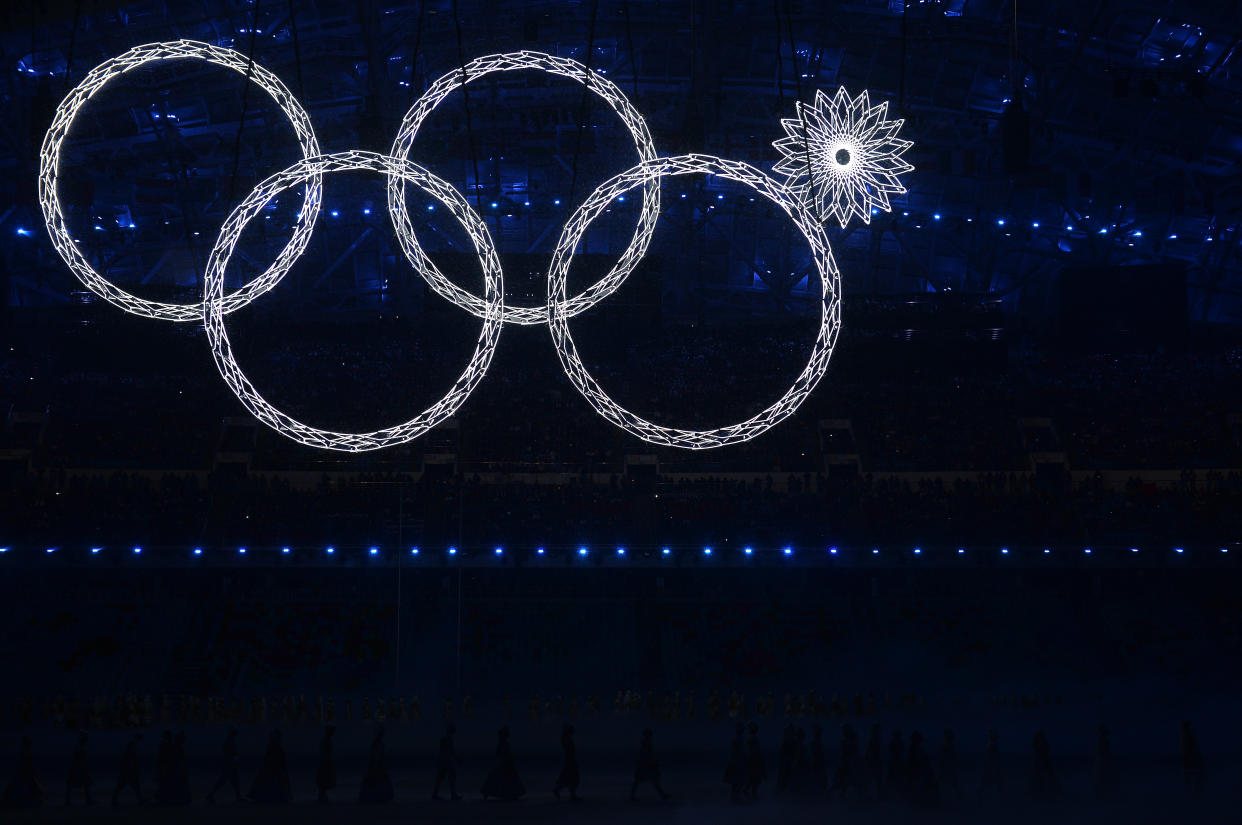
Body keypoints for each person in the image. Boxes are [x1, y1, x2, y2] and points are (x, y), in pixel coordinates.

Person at [481, 726, 525, 801]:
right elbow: (502, 753)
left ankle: (509, 793)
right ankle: (511, 793)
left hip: (505, 762)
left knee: (502, 778)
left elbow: (498, 753)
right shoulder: (503, 743)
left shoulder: (502, 743)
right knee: (506, 778)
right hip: (505, 762)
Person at [248, 729, 291, 805]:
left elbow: (270, 757)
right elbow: (277, 758)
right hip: (273, 768)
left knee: (271, 782)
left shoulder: (273, 746)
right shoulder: (275, 746)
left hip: (272, 767)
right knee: (276, 782)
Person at [1, 735, 43, 809]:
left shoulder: (23, 753)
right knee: (33, 789)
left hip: (23, 774)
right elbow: (27, 766)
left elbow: (26, 765)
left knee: (14, 788)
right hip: (24, 774)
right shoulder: (25, 753)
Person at [630, 728, 671, 801]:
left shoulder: (645, 743)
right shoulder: (646, 743)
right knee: (647, 780)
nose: (650, 736)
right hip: (645, 764)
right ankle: (662, 795)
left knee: (643, 780)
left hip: (645, 764)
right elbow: (646, 754)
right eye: (649, 735)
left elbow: (646, 754)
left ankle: (662, 795)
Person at [358, 726, 394, 804]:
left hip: (376, 766)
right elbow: (376, 757)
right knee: (377, 782)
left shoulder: (376, 744)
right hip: (377, 766)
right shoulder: (377, 744)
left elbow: (376, 757)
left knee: (376, 782)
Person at [206, 728, 241, 804]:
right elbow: (231, 753)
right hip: (229, 764)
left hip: (228, 763)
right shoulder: (230, 741)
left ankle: (238, 796)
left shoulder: (229, 741)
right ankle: (210, 794)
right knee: (227, 781)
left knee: (231, 781)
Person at [111, 733, 144, 806]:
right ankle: (140, 799)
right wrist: (132, 767)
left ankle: (114, 799)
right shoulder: (133, 745)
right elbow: (131, 757)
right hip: (129, 769)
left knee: (125, 785)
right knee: (132, 785)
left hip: (128, 768)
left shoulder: (132, 744)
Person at [431, 724, 461, 801]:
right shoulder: (449, 739)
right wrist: (457, 759)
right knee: (451, 778)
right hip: (447, 761)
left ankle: (435, 794)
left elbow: (444, 751)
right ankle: (453, 795)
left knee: (440, 778)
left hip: (442, 761)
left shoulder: (443, 739)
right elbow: (452, 751)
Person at [553, 724, 581, 801]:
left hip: (570, 760)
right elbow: (569, 750)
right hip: (570, 760)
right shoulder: (567, 739)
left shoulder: (566, 739)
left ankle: (559, 790)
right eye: (571, 730)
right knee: (572, 777)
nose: (573, 732)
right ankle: (571, 794)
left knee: (569, 777)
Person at [64, 732, 93, 806]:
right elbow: (80, 759)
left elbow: (76, 759)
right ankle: (87, 800)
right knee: (84, 784)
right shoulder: (81, 748)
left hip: (77, 768)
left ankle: (68, 800)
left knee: (73, 784)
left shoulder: (79, 747)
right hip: (79, 768)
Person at [1094, 725, 1118, 799]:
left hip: (1103, 759)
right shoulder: (1102, 741)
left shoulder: (1103, 740)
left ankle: (1103, 792)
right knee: (1103, 776)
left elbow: (1104, 751)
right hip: (1103, 760)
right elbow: (1103, 751)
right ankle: (1102, 793)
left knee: (1103, 776)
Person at [744, 721, 766, 801]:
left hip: (753, 760)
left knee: (753, 778)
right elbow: (754, 751)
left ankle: (751, 792)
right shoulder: (752, 740)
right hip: (754, 760)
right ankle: (752, 793)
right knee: (754, 778)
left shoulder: (751, 739)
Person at [1180, 720, 1203, 795]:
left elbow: (1189, 743)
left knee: (1188, 768)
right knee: (1188, 767)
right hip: (1188, 752)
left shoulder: (1186, 734)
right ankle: (1188, 780)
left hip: (1188, 752)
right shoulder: (1186, 734)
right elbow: (1190, 743)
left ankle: (1188, 780)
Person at [724, 721, 745, 801]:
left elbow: (736, 751)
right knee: (737, 779)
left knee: (736, 779)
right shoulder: (737, 740)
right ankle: (735, 795)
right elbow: (737, 751)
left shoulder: (737, 739)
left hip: (736, 761)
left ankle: (735, 795)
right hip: (737, 761)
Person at [979, 729, 1003, 798]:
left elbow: (990, 756)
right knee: (989, 780)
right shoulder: (992, 745)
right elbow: (992, 757)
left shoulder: (991, 745)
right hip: (991, 766)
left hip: (990, 765)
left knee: (988, 781)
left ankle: (984, 794)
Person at [316, 725, 336, 803]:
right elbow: (326, 752)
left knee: (323, 780)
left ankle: (322, 796)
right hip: (325, 762)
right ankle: (322, 796)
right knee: (324, 779)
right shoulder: (326, 741)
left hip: (324, 761)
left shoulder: (326, 740)